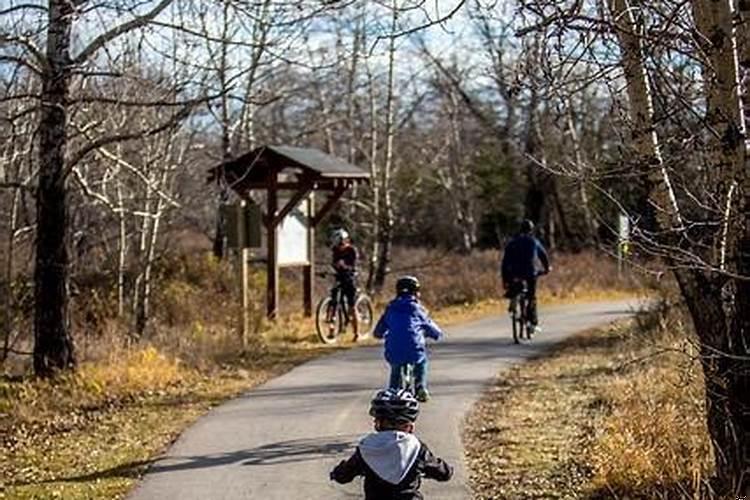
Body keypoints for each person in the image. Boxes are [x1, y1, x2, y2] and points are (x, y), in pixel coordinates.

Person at [330, 388, 453, 499]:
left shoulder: (367, 447)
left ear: (377, 424)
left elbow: (344, 475)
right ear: (409, 427)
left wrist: (337, 473)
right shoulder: (416, 447)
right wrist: (447, 470)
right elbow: (442, 473)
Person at [373, 276, 443, 402]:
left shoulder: (390, 308)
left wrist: (380, 334)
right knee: (421, 361)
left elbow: (378, 332)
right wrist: (436, 334)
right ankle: (420, 387)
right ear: (416, 292)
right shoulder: (418, 309)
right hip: (414, 349)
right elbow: (433, 330)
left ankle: (393, 390)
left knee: (396, 367)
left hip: (393, 349)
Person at [501, 219, 551, 334]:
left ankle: (513, 299)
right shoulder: (534, 241)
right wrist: (547, 268)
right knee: (531, 297)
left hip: (514, 274)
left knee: (515, 286)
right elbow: (543, 256)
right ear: (531, 230)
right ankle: (532, 323)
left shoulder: (511, 243)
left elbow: (504, 263)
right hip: (530, 273)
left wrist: (505, 280)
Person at [330, 228, 359, 335]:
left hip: (349, 277)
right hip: (339, 277)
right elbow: (333, 263)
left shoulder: (352, 250)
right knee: (334, 300)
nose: (340, 246)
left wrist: (345, 266)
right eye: (338, 244)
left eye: (341, 243)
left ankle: (356, 332)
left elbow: (353, 265)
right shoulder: (335, 250)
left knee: (351, 305)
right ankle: (332, 329)